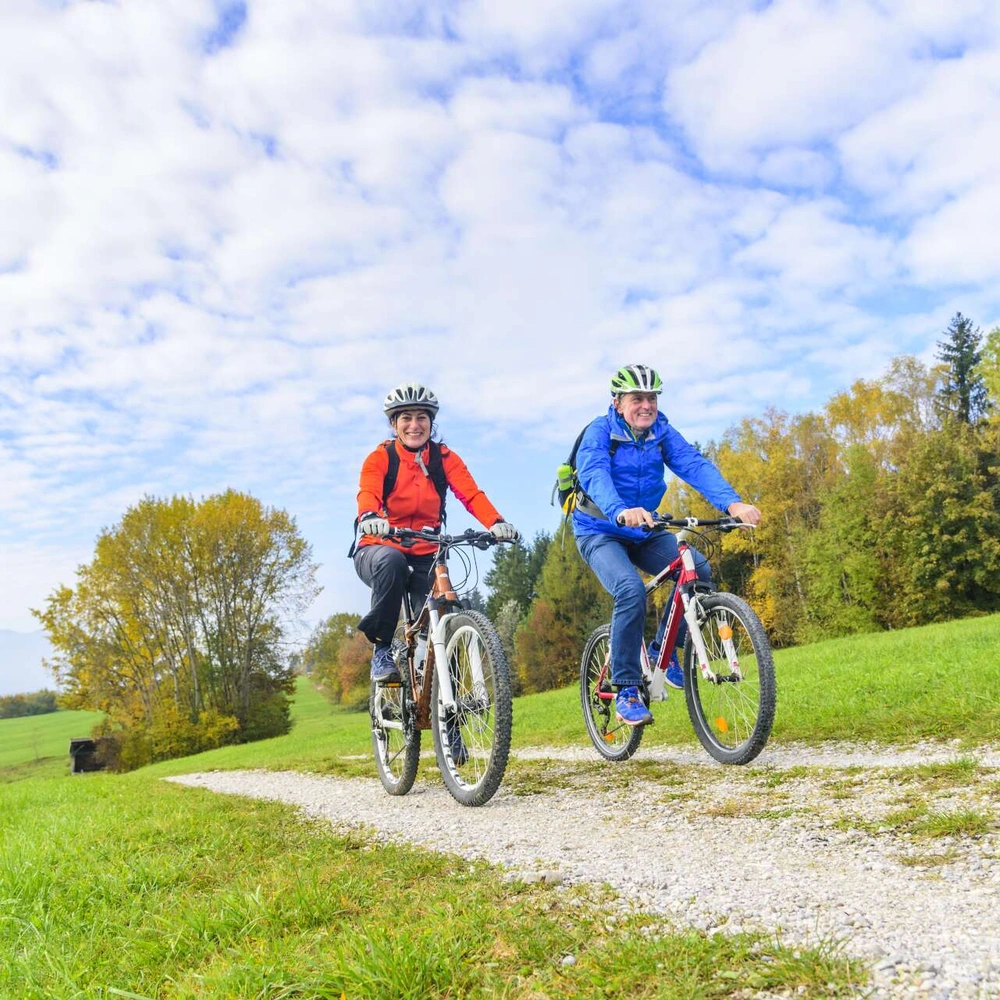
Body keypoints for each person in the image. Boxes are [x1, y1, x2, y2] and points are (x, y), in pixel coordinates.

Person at [573, 363, 762, 727]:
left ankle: (662, 648)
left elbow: (693, 464)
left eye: (652, 398)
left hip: (645, 528)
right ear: (617, 402)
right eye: (637, 398)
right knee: (630, 590)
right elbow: (594, 474)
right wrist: (620, 510)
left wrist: (733, 504)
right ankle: (627, 686)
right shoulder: (599, 432)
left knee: (697, 569)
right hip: (600, 530)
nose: (646, 405)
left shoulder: (661, 432)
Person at [353, 381, 518, 688]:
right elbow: (368, 492)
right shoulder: (380, 458)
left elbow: (471, 495)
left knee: (440, 618)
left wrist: (495, 522)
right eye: (406, 418)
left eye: (421, 418)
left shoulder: (444, 459)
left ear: (431, 422)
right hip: (377, 547)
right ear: (393, 423)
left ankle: (449, 718)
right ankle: (383, 650)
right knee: (392, 562)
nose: (414, 425)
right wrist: (371, 517)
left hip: (425, 550)